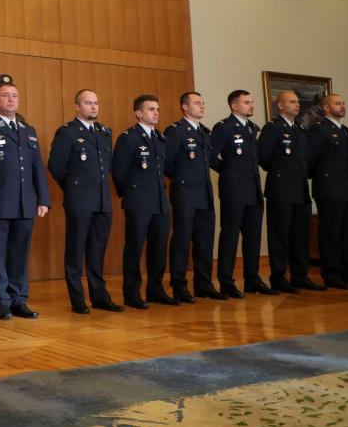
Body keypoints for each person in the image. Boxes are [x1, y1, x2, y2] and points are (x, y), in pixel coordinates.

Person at [0, 75, 49, 320]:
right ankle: (0, 301)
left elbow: (37, 168)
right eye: (5, 95)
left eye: (14, 95)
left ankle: (18, 299)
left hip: (25, 203)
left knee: (19, 254)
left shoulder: (28, 130)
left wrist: (43, 199)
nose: (11, 100)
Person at [47, 89, 122, 315]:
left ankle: (100, 297)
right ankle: (78, 300)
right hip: (79, 201)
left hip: (102, 201)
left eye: (96, 103)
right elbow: (56, 167)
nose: (93, 107)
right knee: (76, 252)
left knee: (97, 251)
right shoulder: (67, 133)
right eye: (88, 103)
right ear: (77, 107)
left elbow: (107, 167)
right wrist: (73, 189)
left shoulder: (104, 132)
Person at [210, 90, 275, 298]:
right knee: (230, 236)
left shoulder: (252, 128)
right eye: (246, 102)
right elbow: (209, 155)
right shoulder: (224, 127)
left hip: (253, 189)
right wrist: (227, 170)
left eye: (252, 102)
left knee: (253, 236)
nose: (251, 105)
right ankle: (226, 281)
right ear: (234, 106)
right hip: (234, 190)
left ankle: (252, 279)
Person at [258, 91, 324, 293]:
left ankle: (300, 275)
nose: (297, 105)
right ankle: (278, 277)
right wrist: (281, 174)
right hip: (281, 189)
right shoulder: (273, 127)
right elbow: (263, 157)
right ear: (280, 106)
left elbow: (305, 160)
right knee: (280, 235)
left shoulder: (299, 129)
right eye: (292, 101)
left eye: (297, 101)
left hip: (301, 189)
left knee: (300, 235)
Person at [112, 95, 175, 308]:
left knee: (158, 247)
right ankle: (132, 293)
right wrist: (129, 195)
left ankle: (155, 289)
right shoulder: (128, 138)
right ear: (139, 113)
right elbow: (119, 172)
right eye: (150, 109)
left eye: (157, 108)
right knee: (134, 248)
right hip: (138, 201)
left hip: (159, 201)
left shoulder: (160, 138)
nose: (156, 113)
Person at [163, 92, 225, 302]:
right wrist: (183, 181)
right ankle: (179, 286)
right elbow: (168, 164)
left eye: (203, 103)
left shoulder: (205, 133)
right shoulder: (175, 131)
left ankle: (204, 284)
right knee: (182, 241)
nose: (202, 106)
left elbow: (209, 162)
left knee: (205, 242)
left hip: (205, 195)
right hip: (185, 194)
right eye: (197, 103)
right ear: (185, 107)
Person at [307, 93, 348, 289]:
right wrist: (323, 181)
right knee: (331, 233)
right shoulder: (320, 130)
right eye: (337, 103)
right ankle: (332, 274)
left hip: (346, 188)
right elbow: (310, 160)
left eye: (343, 103)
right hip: (329, 189)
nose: (342, 106)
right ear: (326, 108)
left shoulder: (344, 131)